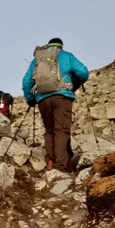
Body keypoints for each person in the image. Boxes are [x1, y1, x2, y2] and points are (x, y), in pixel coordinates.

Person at [22, 37, 90, 172]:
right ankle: (61, 166)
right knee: (61, 130)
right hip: (62, 97)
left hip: (43, 99)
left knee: (49, 130)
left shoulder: (38, 59)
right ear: (61, 46)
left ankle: (50, 162)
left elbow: (26, 81)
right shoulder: (66, 55)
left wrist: (31, 99)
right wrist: (74, 84)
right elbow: (83, 72)